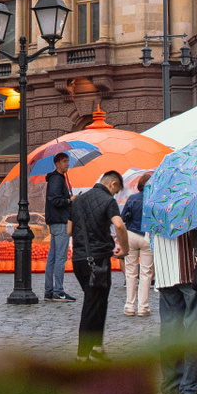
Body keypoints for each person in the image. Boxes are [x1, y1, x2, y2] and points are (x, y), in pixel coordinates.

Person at [152, 213, 197, 394]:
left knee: (170, 330)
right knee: (196, 328)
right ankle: (191, 389)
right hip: (190, 271)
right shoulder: (191, 202)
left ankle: (172, 388)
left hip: (164, 271)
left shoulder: (154, 204)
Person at [69, 170, 125, 360]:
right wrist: (124, 248)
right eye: (116, 191)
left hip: (79, 259)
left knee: (99, 301)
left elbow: (69, 230)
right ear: (113, 184)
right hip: (98, 260)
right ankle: (82, 356)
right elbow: (119, 225)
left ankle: (96, 348)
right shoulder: (108, 201)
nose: (115, 195)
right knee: (93, 305)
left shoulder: (78, 200)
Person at [120, 170, 153, 317]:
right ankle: (143, 307)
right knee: (146, 273)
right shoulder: (154, 200)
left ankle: (129, 306)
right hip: (147, 236)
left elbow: (123, 218)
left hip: (131, 235)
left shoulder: (132, 198)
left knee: (131, 272)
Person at [44, 151, 75, 302]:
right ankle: (58, 291)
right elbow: (55, 200)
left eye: (68, 161)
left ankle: (50, 290)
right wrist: (69, 200)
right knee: (60, 258)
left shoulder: (57, 179)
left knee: (53, 258)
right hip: (60, 221)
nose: (67, 164)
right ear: (57, 164)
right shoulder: (57, 179)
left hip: (56, 221)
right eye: (64, 161)